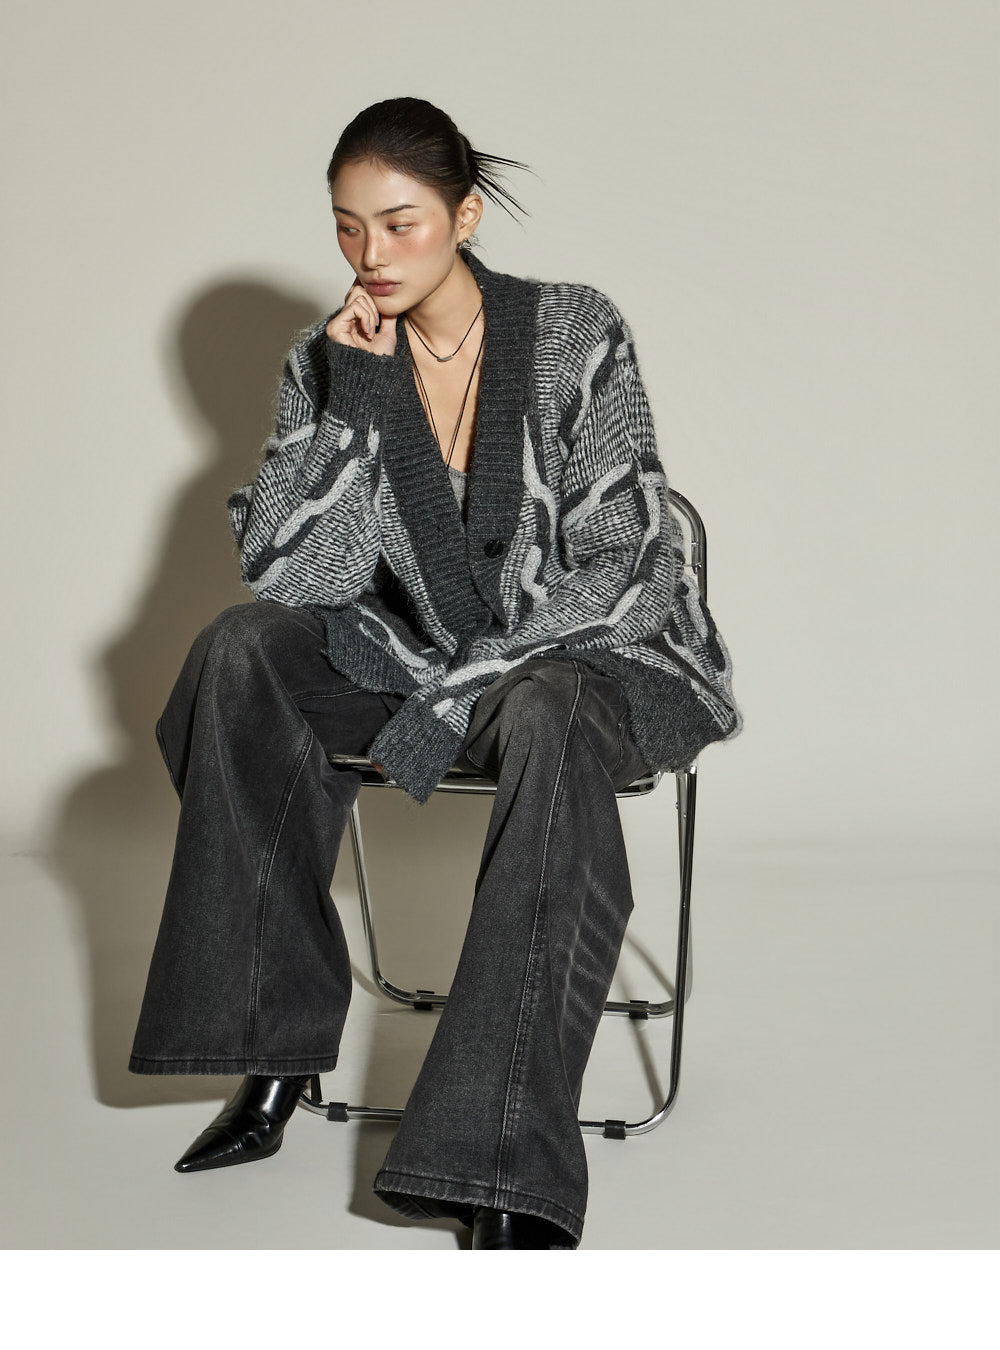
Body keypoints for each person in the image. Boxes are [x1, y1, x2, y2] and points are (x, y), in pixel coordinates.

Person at [129, 96, 742, 1250]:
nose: (370, 253)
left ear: (463, 217)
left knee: (548, 710)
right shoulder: (326, 361)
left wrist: (471, 685)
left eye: (399, 222)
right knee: (240, 649)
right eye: (347, 225)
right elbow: (299, 575)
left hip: (592, 652)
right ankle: (271, 1051)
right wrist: (355, 405)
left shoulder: (572, 331)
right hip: (417, 656)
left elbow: (625, 555)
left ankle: (502, 1154)